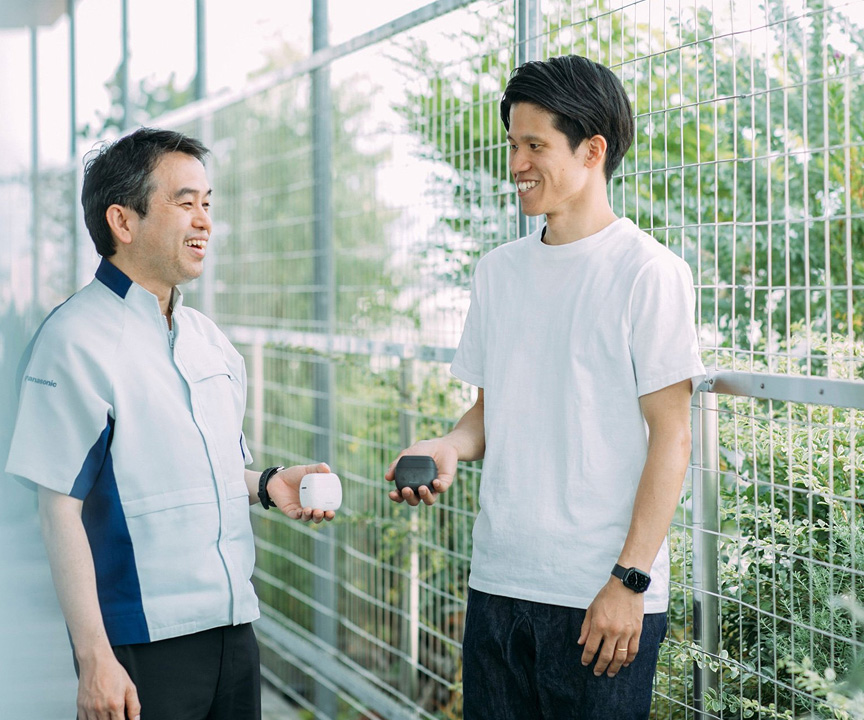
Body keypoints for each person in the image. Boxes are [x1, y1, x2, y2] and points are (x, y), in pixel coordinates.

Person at [386, 55, 705, 719]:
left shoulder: (649, 273)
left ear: (593, 151)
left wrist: (630, 581)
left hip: (602, 597)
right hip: (498, 584)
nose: (516, 164)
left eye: (535, 146)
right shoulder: (498, 273)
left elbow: (673, 438)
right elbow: (490, 411)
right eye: (513, 145)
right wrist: (449, 446)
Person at [5, 127, 335, 720]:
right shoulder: (73, 341)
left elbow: (205, 473)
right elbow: (58, 509)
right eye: (185, 203)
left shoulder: (208, 340)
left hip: (234, 631)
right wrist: (95, 658)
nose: (204, 220)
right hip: (140, 644)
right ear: (123, 221)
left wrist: (266, 484)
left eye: (207, 203)